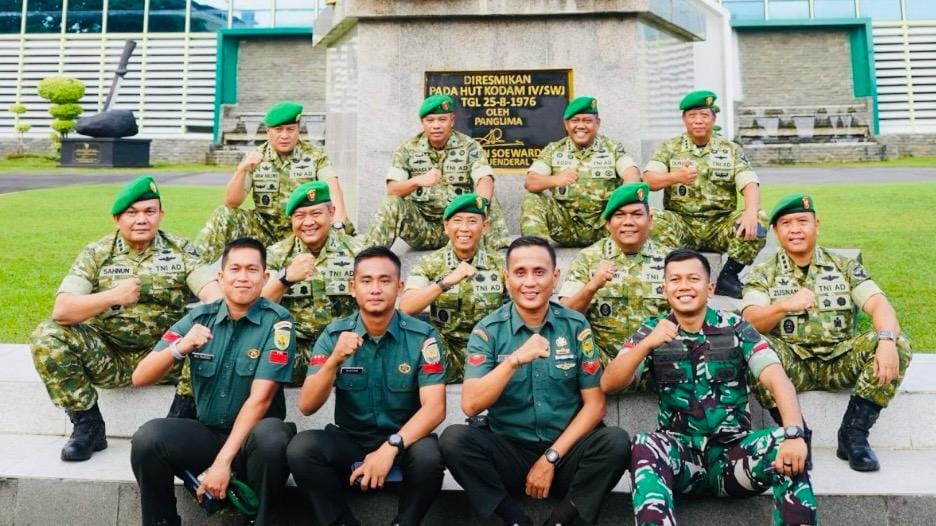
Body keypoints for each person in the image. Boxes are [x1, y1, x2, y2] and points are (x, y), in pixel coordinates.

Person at [602, 249, 817, 526]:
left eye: (693, 279)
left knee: (787, 444)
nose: (684, 286)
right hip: (682, 460)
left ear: (710, 288)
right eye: (675, 279)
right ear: (664, 290)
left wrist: (794, 433)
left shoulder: (735, 326)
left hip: (734, 458)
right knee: (644, 444)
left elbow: (776, 378)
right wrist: (646, 345)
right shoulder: (652, 330)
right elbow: (609, 383)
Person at [440, 236, 631, 526]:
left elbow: (595, 406)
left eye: (539, 272)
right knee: (454, 440)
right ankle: (514, 520)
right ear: (506, 278)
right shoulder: (488, 330)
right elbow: (470, 405)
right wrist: (514, 361)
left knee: (615, 441)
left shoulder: (575, 325)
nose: (530, 282)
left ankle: (561, 520)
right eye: (520, 272)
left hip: (565, 453)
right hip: (509, 450)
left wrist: (551, 457)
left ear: (555, 277)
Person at [29, 176, 220, 461]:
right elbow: (62, 310)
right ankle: (88, 426)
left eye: (149, 211)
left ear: (161, 215)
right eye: (132, 213)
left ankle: (177, 424)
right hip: (109, 356)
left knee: (212, 328)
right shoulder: (97, 253)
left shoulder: (181, 250)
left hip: (166, 356)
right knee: (47, 335)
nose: (141, 219)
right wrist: (112, 296)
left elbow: (215, 297)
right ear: (117, 219)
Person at [741, 193, 913, 472]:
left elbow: (879, 305)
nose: (795, 229)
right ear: (775, 231)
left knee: (897, 341)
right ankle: (798, 434)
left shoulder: (844, 266)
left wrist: (886, 341)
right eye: (786, 223)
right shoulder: (763, 273)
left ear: (817, 225)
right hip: (792, 364)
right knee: (752, 346)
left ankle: (853, 434)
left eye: (802, 221)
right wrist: (783, 305)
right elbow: (750, 320)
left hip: (839, 359)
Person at [130, 238, 295, 526]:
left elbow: (261, 400)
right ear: (221, 276)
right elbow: (140, 376)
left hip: (252, 445)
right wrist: (180, 348)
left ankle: (261, 520)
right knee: (149, 438)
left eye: (252, 270)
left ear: (265, 277)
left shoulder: (278, 322)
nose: (243, 277)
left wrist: (222, 463)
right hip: (208, 434)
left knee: (272, 435)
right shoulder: (199, 318)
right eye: (235, 269)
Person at [287, 246, 447, 526]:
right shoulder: (334, 335)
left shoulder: (423, 336)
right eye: (366, 280)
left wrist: (390, 448)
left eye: (385, 281)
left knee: (430, 457)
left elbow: (435, 409)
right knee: (302, 449)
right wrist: (334, 360)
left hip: (404, 442)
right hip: (352, 440)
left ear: (400, 287)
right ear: (353, 287)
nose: (375, 289)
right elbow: (307, 406)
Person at [194, 100, 353, 263]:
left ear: (298, 130)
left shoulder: (315, 156)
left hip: (304, 229)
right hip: (264, 230)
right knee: (223, 214)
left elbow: (334, 190)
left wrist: (338, 225)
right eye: (278, 130)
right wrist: (242, 170)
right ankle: (196, 267)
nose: (284, 136)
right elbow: (231, 202)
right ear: (268, 132)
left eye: (290, 129)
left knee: (338, 226)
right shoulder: (256, 157)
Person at [642, 90, 767, 298]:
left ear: (713, 119)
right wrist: (675, 176)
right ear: (684, 119)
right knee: (651, 218)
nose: (698, 121)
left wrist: (751, 212)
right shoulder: (669, 147)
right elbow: (648, 180)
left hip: (720, 225)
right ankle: (669, 273)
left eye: (704, 115)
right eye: (692, 116)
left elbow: (749, 182)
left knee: (759, 218)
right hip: (682, 225)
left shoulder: (730, 149)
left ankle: (728, 276)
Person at [364, 94, 510, 250]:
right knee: (392, 202)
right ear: (422, 122)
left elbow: (485, 179)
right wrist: (416, 181)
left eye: (442, 119)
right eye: (430, 120)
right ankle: (368, 256)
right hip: (422, 228)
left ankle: (498, 253)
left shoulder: (469, 146)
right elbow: (392, 189)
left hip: (461, 228)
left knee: (486, 200)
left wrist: (478, 204)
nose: (436, 126)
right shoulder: (407, 149)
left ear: (452, 121)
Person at [559, 182, 670, 367]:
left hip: (657, 362)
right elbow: (565, 316)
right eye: (619, 215)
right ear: (608, 224)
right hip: (601, 362)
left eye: (637, 214)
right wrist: (592, 286)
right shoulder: (588, 258)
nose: (628, 222)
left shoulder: (671, 260)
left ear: (650, 220)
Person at [399, 193, 507, 382]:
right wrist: (444, 283)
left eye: (472, 221)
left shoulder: (500, 263)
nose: (464, 228)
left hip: (489, 349)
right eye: (457, 221)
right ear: (446, 227)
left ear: (484, 227)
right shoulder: (429, 263)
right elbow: (406, 307)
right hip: (446, 350)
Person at [263, 181, 361, 384]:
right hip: (297, 351)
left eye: (316, 214)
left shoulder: (358, 251)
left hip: (347, 347)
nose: (308, 222)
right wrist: (285, 278)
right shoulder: (276, 255)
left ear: (332, 212)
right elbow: (257, 306)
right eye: (300, 216)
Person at [520, 96, 641, 247]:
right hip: (566, 226)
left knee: (648, 213)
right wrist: (555, 180)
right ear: (566, 124)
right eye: (575, 121)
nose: (581, 126)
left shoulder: (612, 148)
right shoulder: (554, 150)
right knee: (532, 198)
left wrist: (623, 196)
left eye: (587, 121)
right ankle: (535, 251)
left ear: (597, 123)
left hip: (605, 225)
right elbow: (530, 182)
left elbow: (632, 173)